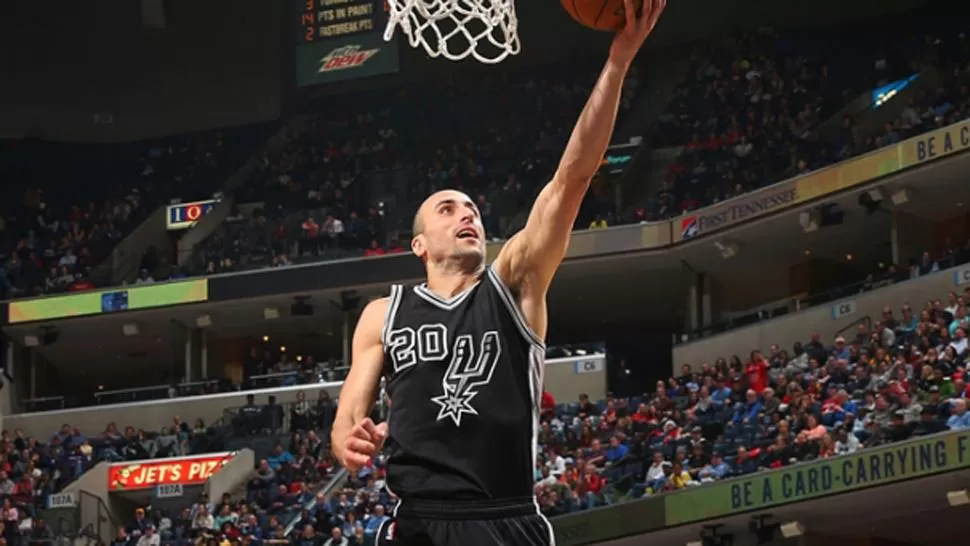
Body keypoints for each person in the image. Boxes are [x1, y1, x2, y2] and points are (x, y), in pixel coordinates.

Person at [331, 1, 667, 544]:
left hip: (506, 518)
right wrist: (347, 441)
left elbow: (572, 178)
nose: (467, 214)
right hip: (416, 521)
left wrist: (618, 62)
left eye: (472, 208)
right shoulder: (382, 314)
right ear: (419, 243)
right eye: (448, 208)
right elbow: (348, 413)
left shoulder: (514, 280)